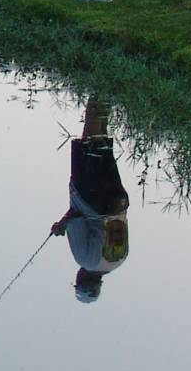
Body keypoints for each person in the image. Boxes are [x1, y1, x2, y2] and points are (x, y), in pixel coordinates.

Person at [49, 95, 131, 302]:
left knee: (102, 144)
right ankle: (98, 90)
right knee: (90, 140)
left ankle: (106, 95)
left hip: (117, 200)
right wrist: (60, 227)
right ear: (81, 279)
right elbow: (76, 220)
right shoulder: (84, 259)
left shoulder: (119, 261)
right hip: (91, 196)